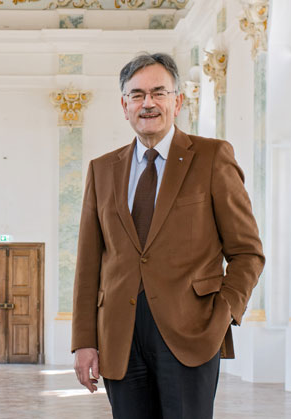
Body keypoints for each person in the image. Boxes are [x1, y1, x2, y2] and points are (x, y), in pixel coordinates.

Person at [72, 53, 264, 418]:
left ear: (177, 102)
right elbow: (88, 265)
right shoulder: (102, 171)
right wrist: (84, 342)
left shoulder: (211, 157)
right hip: (119, 337)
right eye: (138, 94)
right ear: (124, 105)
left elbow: (247, 252)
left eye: (159, 93)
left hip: (192, 331)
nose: (148, 103)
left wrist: (222, 313)